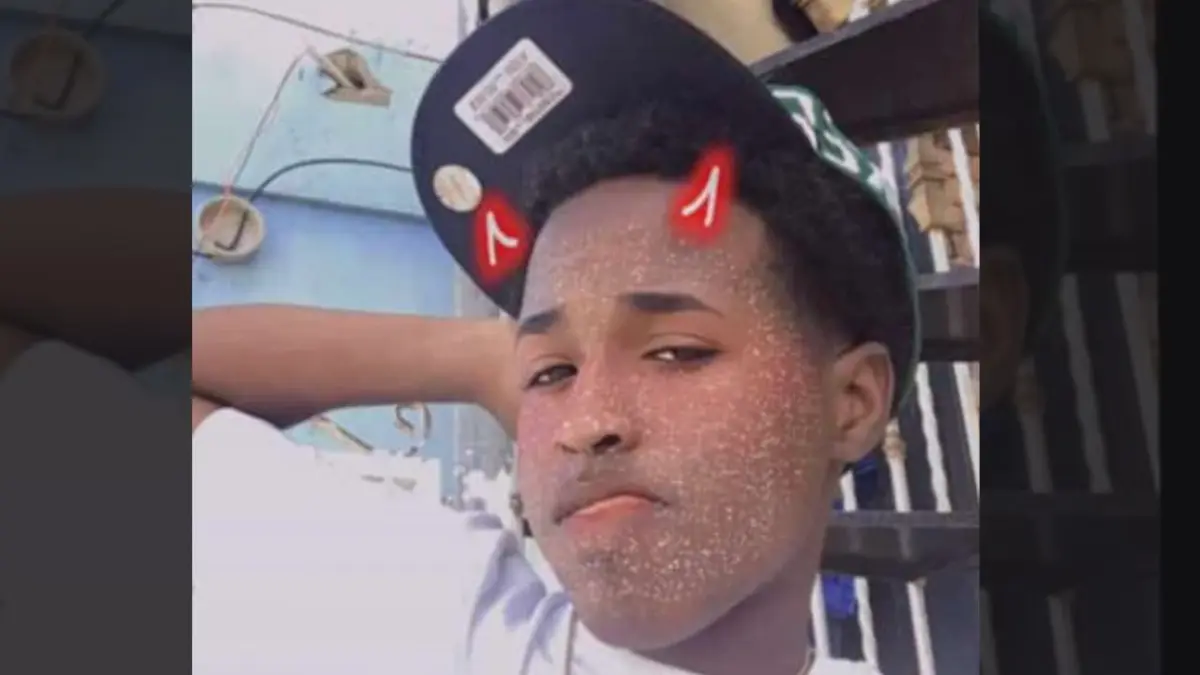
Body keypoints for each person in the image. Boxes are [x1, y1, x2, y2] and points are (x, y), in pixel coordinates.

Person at [191, 1, 920, 674]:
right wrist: (483, 359)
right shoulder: (433, 620)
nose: (586, 422)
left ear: (852, 402)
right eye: (552, 374)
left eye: (676, 351)